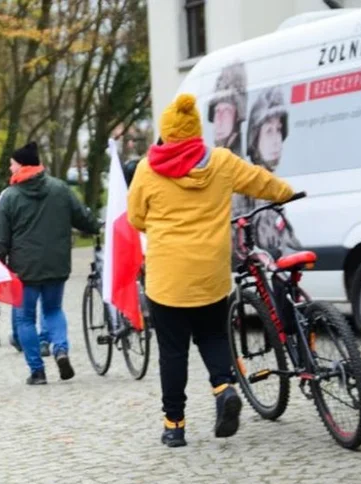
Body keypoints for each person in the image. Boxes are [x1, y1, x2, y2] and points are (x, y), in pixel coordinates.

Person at [127, 93, 294, 448]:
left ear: (167, 132)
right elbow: (260, 181)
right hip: (210, 275)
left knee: (173, 352)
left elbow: (136, 218)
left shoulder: (146, 169)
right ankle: (224, 388)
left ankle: (174, 425)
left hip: (167, 279)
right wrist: (287, 191)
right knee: (214, 337)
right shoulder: (220, 161)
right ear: (194, 130)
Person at [0, 141, 100, 385]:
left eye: (12, 164)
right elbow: (82, 218)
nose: (10, 169)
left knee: (25, 319)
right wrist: (95, 227)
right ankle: (60, 350)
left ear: (21, 165)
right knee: (53, 310)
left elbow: (2, 239)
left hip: (24, 269)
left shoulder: (9, 197)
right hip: (56, 264)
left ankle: (37, 371)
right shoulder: (60, 189)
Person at [238, 86, 300, 257]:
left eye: (279, 130)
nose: (276, 140)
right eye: (269, 131)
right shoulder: (249, 186)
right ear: (255, 137)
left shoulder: (270, 184)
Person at [207, 62, 247, 157]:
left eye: (226, 111)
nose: (219, 120)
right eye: (217, 111)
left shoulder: (240, 161)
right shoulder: (213, 157)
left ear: (237, 117)